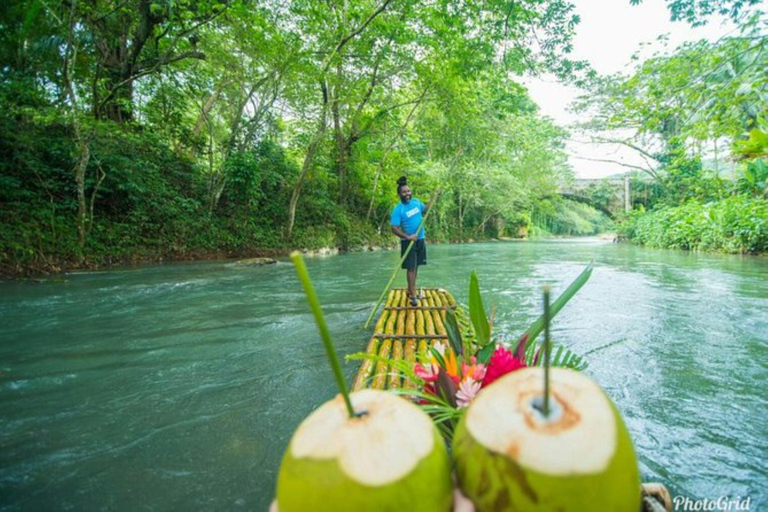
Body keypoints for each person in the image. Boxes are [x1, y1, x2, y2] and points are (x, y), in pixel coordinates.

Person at [390, 176, 430, 307]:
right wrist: (407, 237)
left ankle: (410, 289)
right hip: (408, 242)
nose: (407, 194)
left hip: (420, 239)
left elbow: (424, 210)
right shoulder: (398, 209)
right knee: (411, 268)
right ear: (399, 194)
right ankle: (413, 295)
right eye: (404, 192)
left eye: (408, 191)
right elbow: (394, 228)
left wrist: (433, 199)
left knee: (416, 265)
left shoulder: (416, 202)